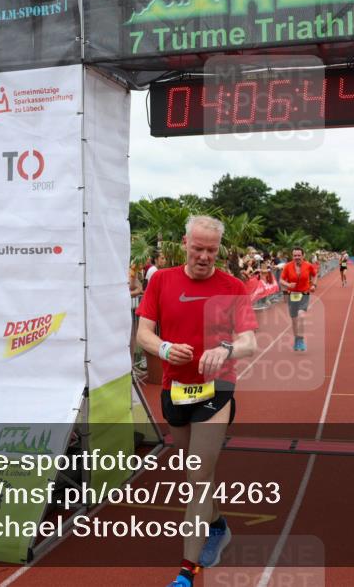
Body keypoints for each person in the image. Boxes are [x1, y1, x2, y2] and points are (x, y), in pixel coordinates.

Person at [136, 215, 257, 587]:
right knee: (195, 471)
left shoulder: (233, 286)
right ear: (185, 243)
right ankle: (217, 524)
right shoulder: (162, 280)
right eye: (198, 248)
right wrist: (165, 347)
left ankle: (186, 572)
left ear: (218, 249)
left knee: (198, 480)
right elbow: (143, 334)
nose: (204, 256)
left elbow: (250, 342)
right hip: (175, 392)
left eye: (211, 250)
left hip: (216, 391)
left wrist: (226, 349)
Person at [278, 247, 318, 352]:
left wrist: (314, 285)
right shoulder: (287, 266)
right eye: (295, 255)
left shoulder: (308, 265)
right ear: (292, 256)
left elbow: (315, 275)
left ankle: (300, 339)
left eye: (299, 255)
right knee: (294, 320)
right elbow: (281, 280)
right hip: (292, 295)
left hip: (304, 294)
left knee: (301, 315)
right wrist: (288, 284)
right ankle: (297, 340)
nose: (297, 257)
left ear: (303, 255)